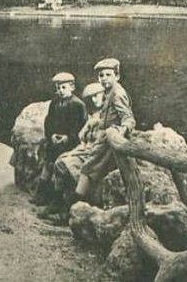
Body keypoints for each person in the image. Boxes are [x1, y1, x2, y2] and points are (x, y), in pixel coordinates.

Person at [37, 82, 109, 221]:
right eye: (92, 98)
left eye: (97, 96)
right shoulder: (94, 114)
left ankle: (69, 211)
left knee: (67, 166)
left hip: (100, 153)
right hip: (86, 148)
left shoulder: (109, 114)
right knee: (60, 161)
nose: (95, 100)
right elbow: (83, 135)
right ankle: (58, 204)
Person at [73, 57, 136, 202]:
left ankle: (76, 202)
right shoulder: (108, 92)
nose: (104, 78)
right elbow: (104, 116)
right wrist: (94, 123)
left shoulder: (117, 93)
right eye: (101, 75)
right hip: (102, 137)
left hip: (110, 139)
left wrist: (122, 130)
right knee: (89, 164)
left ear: (117, 76)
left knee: (88, 167)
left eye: (108, 75)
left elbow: (128, 118)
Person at [35, 72, 86, 207]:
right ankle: (42, 197)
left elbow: (80, 126)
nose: (60, 91)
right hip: (54, 141)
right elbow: (49, 122)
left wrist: (68, 138)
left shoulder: (77, 105)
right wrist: (51, 135)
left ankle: (56, 202)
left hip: (69, 144)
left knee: (60, 169)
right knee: (47, 165)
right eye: (57, 88)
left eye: (63, 87)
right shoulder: (55, 103)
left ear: (72, 87)